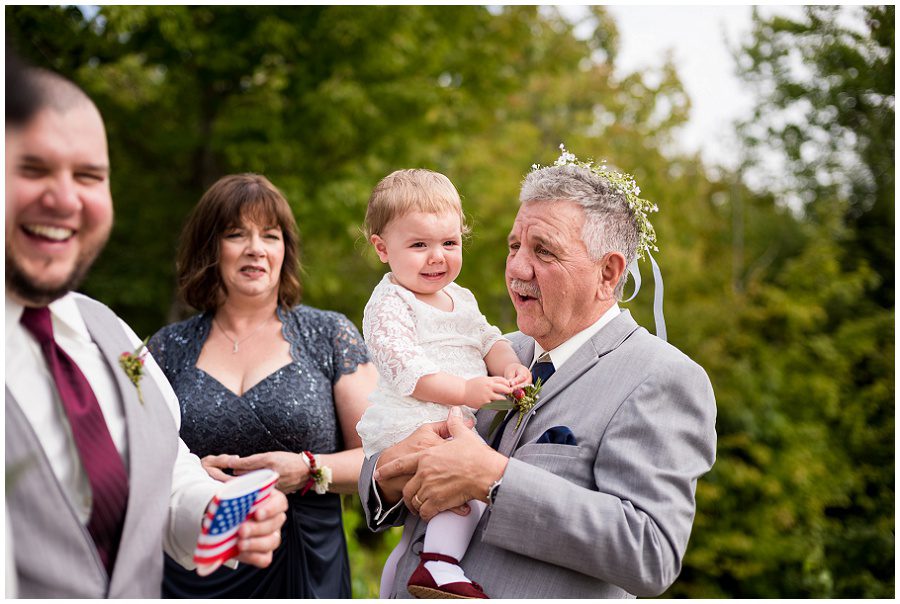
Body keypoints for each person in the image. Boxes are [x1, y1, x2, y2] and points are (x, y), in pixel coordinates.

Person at [359, 149, 718, 598]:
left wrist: (494, 478)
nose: (516, 268)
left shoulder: (662, 377)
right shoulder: (491, 351)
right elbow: (380, 467)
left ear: (608, 273)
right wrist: (385, 475)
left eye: (543, 251)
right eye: (515, 246)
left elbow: (649, 551)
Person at [4, 68, 288, 598]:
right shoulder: (170, 342)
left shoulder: (111, 334)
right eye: (33, 169)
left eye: (89, 176)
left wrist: (211, 512)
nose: (65, 199)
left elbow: (163, 467)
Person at [147, 173, 378, 598]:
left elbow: (383, 458)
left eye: (269, 235)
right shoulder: (166, 348)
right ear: (211, 248)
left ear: (284, 250)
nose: (255, 248)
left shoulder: (328, 335)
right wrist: (188, 475)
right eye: (237, 234)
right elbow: (139, 465)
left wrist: (308, 471)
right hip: (195, 567)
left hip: (302, 564)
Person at [355, 169, 531, 598]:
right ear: (382, 248)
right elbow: (407, 370)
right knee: (461, 489)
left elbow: (489, 339)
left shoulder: (462, 297)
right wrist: (468, 391)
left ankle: (433, 563)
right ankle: (437, 564)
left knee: (469, 486)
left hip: (452, 417)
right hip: (410, 420)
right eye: (419, 245)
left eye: (449, 243)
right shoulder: (389, 302)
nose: (437, 257)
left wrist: (509, 366)